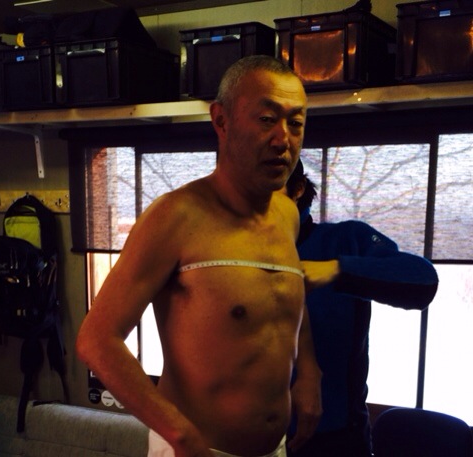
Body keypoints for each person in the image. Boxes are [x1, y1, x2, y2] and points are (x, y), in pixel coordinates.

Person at [76, 55, 322, 457]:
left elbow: (287, 298)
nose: (283, 139)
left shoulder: (287, 214)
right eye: (266, 119)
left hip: (274, 448)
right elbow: (96, 340)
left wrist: (309, 371)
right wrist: (180, 436)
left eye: (295, 123)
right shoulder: (175, 216)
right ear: (221, 121)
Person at [283, 161, 439, 457]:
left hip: (336, 436)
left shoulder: (344, 239)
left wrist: (337, 269)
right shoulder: (235, 247)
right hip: (251, 435)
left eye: (273, 188)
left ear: (298, 189)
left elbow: (422, 280)